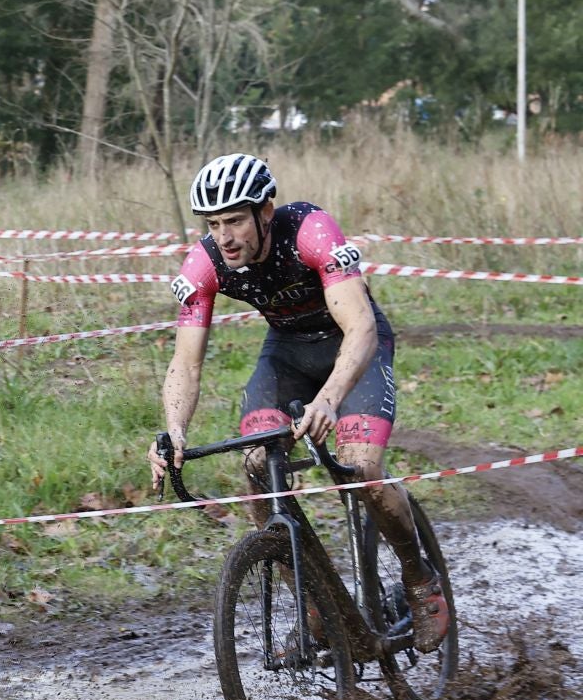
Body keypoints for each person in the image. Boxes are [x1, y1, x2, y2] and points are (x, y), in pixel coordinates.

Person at [148, 153, 448, 652]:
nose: (225, 237)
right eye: (214, 224)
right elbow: (186, 364)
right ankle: (315, 607)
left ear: (266, 211)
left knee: (362, 469)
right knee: (255, 465)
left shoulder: (311, 231)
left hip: (353, 347)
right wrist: (174, 430)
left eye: (236, 221)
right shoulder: (205, 263)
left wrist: (330, 399)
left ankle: (421, 584)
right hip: (286, 354)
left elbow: (361, 327)